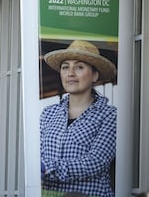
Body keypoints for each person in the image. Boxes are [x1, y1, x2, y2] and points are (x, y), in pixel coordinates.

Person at [40, 40, 117, 197]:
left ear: (95, 75)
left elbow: (96, 162)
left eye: (79, 67)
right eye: (65, 67)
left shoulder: (110, 115)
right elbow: (37, 155)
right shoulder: (48, 114)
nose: (70, 73)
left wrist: (47, 169)